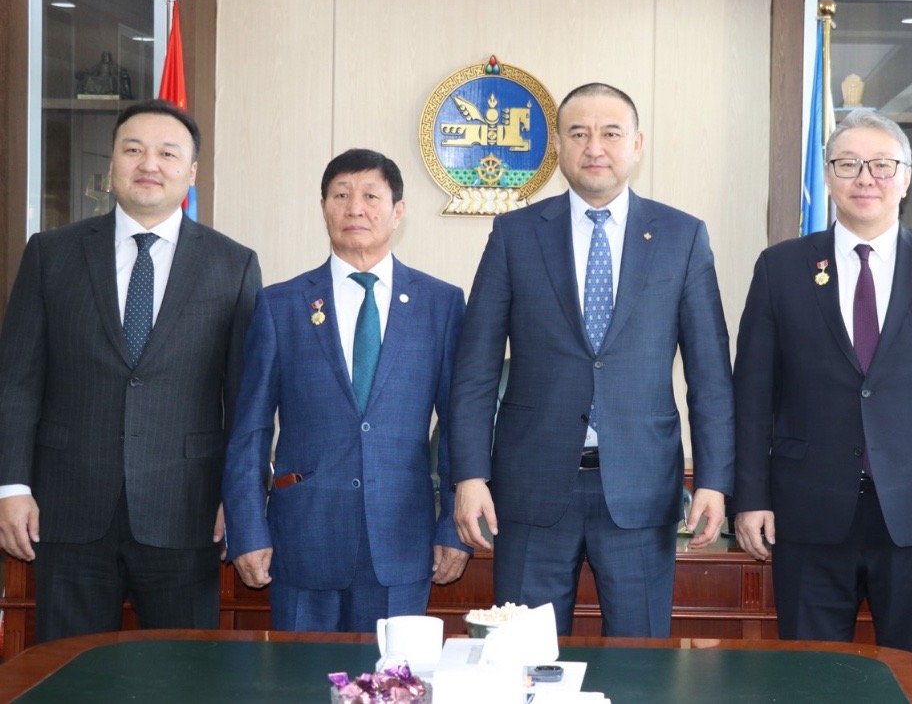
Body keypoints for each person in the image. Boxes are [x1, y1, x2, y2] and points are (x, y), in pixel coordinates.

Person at [449, 82, 735, 637]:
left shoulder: (681, 236)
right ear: (559, 146)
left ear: (637, 144)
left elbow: (710, 376)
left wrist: (714, 480)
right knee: (522, 658)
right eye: (579, 134)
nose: (594, 147)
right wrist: (469, 474)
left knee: (639, 663)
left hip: (641, 487)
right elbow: (475, 368)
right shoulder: (515, 234)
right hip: (531, 486)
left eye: (611, 133)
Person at [733, 109, 912, 661]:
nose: (866, 178)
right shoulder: (780, 268)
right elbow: (753, 394)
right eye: (849, 164)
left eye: (882, 165)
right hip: (806, 512)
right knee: (811, 678)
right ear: (828, 176)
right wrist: (751, 497)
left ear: (906, 178)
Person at [0, 99, 261, 641]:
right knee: (69, 671)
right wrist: (11, 486)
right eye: (133, 149)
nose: (149, 164)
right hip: (66, 507)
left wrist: (240, 497)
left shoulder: (232, 264)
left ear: (191, 172)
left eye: (168, 153)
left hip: (186, 510)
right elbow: (17, 382)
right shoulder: (51, 254)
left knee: (183, 673)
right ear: (112, 163)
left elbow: (245, 398)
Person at [222, 148, 470, 632]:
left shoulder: (439, 304)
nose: (355, 208)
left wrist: (453, 527)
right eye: (341, 196)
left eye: (371, 196)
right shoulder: (280, 305)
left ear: (398, 211)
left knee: (392, 674)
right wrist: (247, 527)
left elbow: (459, 425)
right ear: (323, 208)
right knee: (300, 674)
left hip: (402, 538)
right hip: (303, 538)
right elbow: (250, 427)